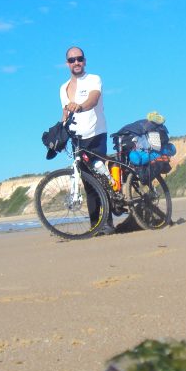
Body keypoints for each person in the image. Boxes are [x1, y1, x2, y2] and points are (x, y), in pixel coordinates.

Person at [60, 46, 115, 235]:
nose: (76, 63)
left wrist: (81, 107)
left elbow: (93, 99)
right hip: (77, 139)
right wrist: (59, 132)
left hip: (96, 134)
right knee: (88, 184)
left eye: (79, 59)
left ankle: (107, 223)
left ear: (84, 60)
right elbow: (65, 113)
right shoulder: (63, 88)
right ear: (67, 63)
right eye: (72, 60)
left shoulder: (93, 79)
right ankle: (95, 225)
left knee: (99, 178)